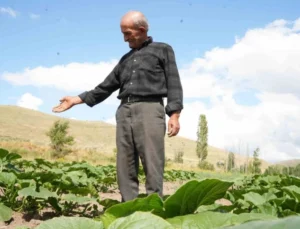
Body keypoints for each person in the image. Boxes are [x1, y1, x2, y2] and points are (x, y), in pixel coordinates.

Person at [52, 11, 183, 202]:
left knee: (152, 162)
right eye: (123, 33)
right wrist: (76, 99)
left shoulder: (162, 49)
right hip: (124, 112)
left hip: (150, 109)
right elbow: (105, 87)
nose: (124, 39)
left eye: (128, 33)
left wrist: (175, 114)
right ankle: (128, 208)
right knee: (125, 163)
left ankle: (154, 209)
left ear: (142, 30)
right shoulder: (125, 59)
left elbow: (173, 81)